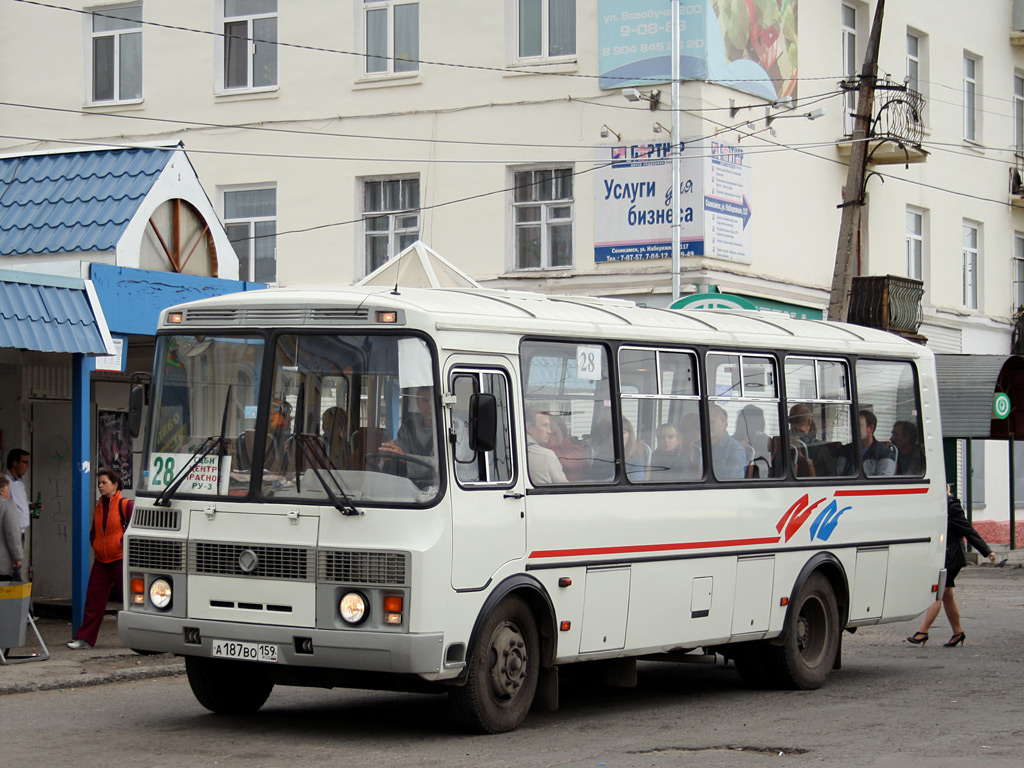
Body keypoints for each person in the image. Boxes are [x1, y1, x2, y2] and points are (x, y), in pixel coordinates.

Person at [907, 487, 998, 648]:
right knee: (947, 595)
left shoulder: (952, 507)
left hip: (952, 557)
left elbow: (968, 531)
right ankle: (958, 633)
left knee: (938, 593)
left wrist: (987, 551)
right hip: (943, 556)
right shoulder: (936, 507)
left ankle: (923, 631)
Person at [67, 468, 134, 649]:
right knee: (93, 599)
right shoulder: (99, 506)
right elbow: (95, 530)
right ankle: (85, 638)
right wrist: (95, 544)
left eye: (104, 482)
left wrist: (121, 544)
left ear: (115, 484)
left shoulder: (125, 504)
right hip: (102, 560)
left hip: (120, 558)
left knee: (131, 599)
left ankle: (141, 637)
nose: (100, 486)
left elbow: (133, 531)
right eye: (99, 483)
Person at [4, 449, 32, 581]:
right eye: (25, 462)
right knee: (13, 567)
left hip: (21, 530)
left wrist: (31, 506)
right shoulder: (5, 482)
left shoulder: (19, 482)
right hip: (12, 529)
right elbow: (8, 508)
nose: (27, 466)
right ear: (15, 463)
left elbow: (20, 504)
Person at [788, 403, 836, 477]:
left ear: (790, 421)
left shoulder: (780, 442)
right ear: (809, 421)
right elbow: (833, 475)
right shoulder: (818, 446)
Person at [525, 407, 568, 485]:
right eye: (545, 425)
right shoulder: (547, 456)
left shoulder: (507, 452)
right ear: (529, 427)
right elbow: (565, 491)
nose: (549, 431)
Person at [708, 404, 747, 480]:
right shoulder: (698, 445)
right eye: (703, 422)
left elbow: (732, 485)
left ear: (724, 424)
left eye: (711, 422)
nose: (707, 425)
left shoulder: (735, 450)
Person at [0, 475, 24, 582]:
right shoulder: (7, 505)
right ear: (1, 491)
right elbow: (12, 534)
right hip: (3, 565)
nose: (9, 494)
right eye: (8, 490)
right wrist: (18, 556)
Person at [546, 414, 584, 482]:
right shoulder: (545, 449)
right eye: (548, 435)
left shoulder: (575, 450)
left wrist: (550, 444)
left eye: (555, 434)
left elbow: (561, 463)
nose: (551, 438)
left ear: (563, 432)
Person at [858, 410, 896, 476]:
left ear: (871, 428)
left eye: (859, 426)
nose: (854, 429)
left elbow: (884, 481)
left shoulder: (885, 454)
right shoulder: (846, 451)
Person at [622, 418, 651, 482]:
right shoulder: (602, 456)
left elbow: (636, 486)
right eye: (613, 432)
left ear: (630, 436)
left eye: (623, 433)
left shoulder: (636, 460)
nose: (618, 436)